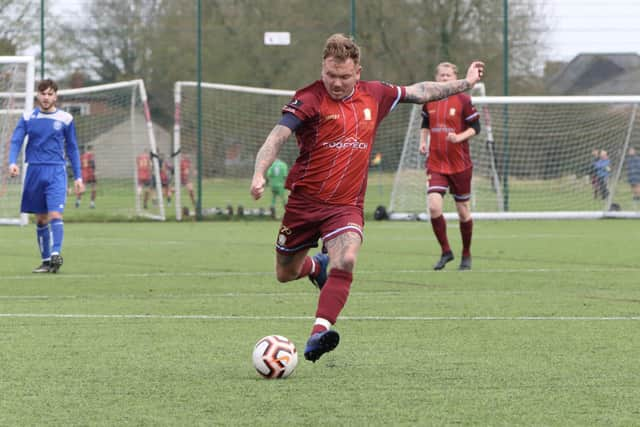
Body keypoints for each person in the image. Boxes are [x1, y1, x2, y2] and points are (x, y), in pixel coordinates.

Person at [250, 33, 484, 363]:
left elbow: (420, 92)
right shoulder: (309, 99)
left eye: (344, 76)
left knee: (346, 259)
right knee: (285, 273)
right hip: (304, 204)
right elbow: (278, 136)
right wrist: (260, 171)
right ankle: (317, 266)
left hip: (345, 206)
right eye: (331, 75)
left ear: (358, 72)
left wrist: (466, 82)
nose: (336, 83)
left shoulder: (375, 94)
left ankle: (319, 331)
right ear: (323, 69)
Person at [8, 78, 84, 273]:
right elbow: (16, 140)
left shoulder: (65, 119)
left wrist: (78, 177)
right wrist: (12, 162)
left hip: (56, 170)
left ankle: (55, 253)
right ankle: (46, 261)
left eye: (50, 94)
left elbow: (73, 148)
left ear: (55, 96)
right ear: (37, 95)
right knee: (41, 219)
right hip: (34, 170)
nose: (46, 97)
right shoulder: (27, 118)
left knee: (55, 214)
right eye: (43, 93)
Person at [418, 62, 480, 271]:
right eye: (441, 75)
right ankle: (446, 251)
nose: (445, 79)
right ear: (436, 78)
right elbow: (425, 124)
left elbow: (475, 127)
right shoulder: (429, 100)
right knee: (434, 206)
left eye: (448, 75)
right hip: (436, 163)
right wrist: (423, 141)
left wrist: (458, 137)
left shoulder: (463, 100)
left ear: (456, 78)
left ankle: (466, 254)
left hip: (460, 165)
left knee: (463, 212)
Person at [76, 144, 97, 208]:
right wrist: (94, 171)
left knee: (82, 188)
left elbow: (80, 165)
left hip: (83, 173)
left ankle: (78, 202)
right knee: (94, 188)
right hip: (90, 173)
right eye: (93, 149)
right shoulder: (91, 155)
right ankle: (92, 204)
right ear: (91, 149)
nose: (94, 151)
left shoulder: (82, 156)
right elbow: (92, 164)